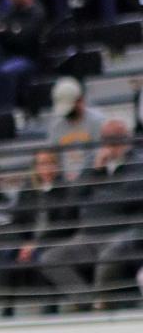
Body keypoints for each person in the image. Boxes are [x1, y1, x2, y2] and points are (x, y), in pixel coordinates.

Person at [39, 120, 143, 308]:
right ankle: (86, 302)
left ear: (126, 139)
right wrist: (94, 171)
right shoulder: (94, 164)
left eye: (114, 139)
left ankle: (101, 302)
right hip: (88, 234)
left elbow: (126, 197)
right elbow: (75, 196)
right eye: (106, 140)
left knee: (111, 255)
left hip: (121, 232)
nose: (109, 145)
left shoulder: (138, 162)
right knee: (51, 258)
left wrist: (99, 194)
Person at [1, 150, 78, 316]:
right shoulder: (28, 191)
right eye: (42, 164)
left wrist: (36, 244)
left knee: (45, 256)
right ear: (35, 168)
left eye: (50, 163)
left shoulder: (66, 190)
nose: (46, 168)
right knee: (8, 255)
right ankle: (7, 308)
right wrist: (23, 244)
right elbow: (16, 221)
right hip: (28, 242)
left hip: (54, 241)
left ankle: (49, 307)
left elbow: (64, 224)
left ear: (57, 166)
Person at [0, 0, 45, 114]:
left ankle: (8, 114)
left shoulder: (36, 13)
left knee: (6, 72)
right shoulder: (10, 12)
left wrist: (8, 32)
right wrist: (12, 32)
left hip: (28, 58)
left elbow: (26, 38)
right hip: (6, 57)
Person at [46, 77, 107, 182]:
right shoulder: (56, 126)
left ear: (80, 101)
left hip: (94, 179)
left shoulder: (98, 121)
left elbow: (102, 154)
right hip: (66, 182)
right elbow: (52, 156)